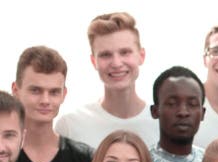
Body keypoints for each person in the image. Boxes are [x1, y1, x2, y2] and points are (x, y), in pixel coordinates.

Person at [56, 12, 157, 149]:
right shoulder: (70, 126)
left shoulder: (163, 124)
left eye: (125, 52)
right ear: (93, 61)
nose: (116, 63)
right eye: (105, 55)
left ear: (141, 56)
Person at [150, 65, 206, 162]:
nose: (183, 112)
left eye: (192, 104)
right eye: (172, 103)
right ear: (155, 111)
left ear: (202, 113)